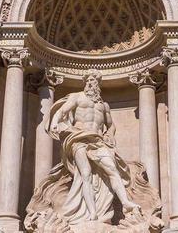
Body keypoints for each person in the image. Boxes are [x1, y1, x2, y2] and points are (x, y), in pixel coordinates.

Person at [46, 71, 140, 222]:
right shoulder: (76, 97)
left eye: (94, 81)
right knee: (86, 174)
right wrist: (54, 122)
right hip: (79, 138)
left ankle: (125, 203)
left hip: (98, 141)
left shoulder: (104, 106)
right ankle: (92, 213)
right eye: (89, 80)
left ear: (98, 84)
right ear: (85, 83)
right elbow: (62, 111)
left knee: (113, 170)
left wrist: (110, 135)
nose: (91, 83)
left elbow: (111, 125)